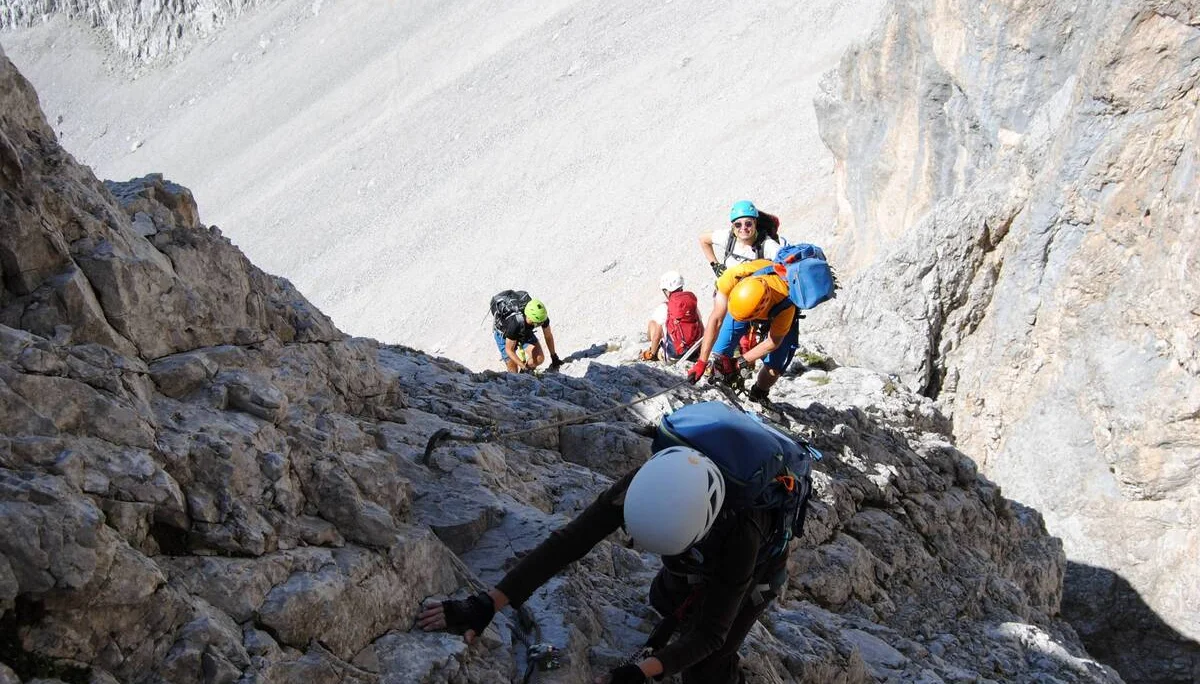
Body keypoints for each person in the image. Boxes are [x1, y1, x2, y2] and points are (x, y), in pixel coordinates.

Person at [418, 401, 813, 684]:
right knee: (666, 601)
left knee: (705, 664)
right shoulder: (650, 482)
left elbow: (711, 634)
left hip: (760, 571)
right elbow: (570, 541)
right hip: (700, 548)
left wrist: (638, 673)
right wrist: (488, 603)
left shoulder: (744, 532)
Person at [685, 260, 798, 403]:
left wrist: (739, 362)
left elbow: (772, 342)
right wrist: (702, 361)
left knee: (774, 366)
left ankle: (759, 393)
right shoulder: (733, 277)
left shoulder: (786, 304)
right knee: (719, 352)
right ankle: (724, 380)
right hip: (741, 306)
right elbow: (716, 319)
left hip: (776, 310)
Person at [699, 201, 782, 278]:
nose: (743, 228)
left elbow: (785, 262)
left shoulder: (767, 245)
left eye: (748, 224)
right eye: (738, 225)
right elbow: (703, 239)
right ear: (733, 226)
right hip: (731, 288)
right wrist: (715, 265)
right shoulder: (728, 238)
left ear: (755, 223)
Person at [489, 290, 562, 373]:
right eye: (538, 323)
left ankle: (525, 374)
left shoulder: (541, 317)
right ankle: (520, 374)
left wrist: (554, 356)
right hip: (504, 335)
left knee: (538, 359)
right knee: (513, 371)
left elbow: (548, 335)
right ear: (530, 318)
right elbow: (509, 350)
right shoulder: (514, 323)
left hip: (524, 331)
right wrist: (523, 366)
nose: (540, 324)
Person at [642, 271, 704, 362]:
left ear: (666, 290)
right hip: (694, 353)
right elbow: (702, 328)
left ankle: (654, 351)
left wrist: (652, 354)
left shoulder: (665, 307)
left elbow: (656, 335)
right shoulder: (690, 304)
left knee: (653, 323)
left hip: (674, 355)